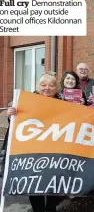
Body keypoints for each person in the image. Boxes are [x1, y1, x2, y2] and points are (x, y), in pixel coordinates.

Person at [7, 72, 63, 212]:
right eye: (43, 85)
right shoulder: (27, 101)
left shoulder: (64, 104)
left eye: (51, 85)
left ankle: (51, 208)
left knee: (53, 183)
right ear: (38, 86)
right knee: (34, 181)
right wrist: (11, 115)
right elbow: (18, 123)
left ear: (56, 88)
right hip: (33, 150)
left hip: (55, 150)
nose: (47, 88)